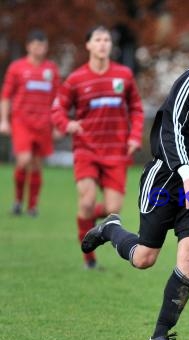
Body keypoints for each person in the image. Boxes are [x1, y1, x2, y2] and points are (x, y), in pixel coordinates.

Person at [80, 17, 189, 340]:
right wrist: (187, 177)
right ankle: (110, 228)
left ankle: (159, 335)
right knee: (144, 258)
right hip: (167, 180)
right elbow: (169, 129)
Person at [51, 26, 144, 269]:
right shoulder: (76, 79)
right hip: (86, 149)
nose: (103, 44)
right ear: (88, 45)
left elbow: (136, 107)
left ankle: (98, 226)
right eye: (98, 40)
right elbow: (57, 109)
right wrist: (67, 123)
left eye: (106, 40)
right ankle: (88, 259)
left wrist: (134, 136)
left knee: (113, 211)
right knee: (87, 201)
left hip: (116, 151)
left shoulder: (123, 75)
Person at [0, 29, 60, 217]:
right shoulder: (17, 68)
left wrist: (58, 124)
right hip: (21, 122)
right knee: (24, 160)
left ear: (46, 47)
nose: (39, 49)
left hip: (43, 123)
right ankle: (18, 201)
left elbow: (58, 99)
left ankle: (32, 206)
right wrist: (4, 120)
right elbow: (6, 96)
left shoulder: (51, 70)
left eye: (42, 45)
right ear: (28, 46)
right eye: (35, 45)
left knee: (36, 164)